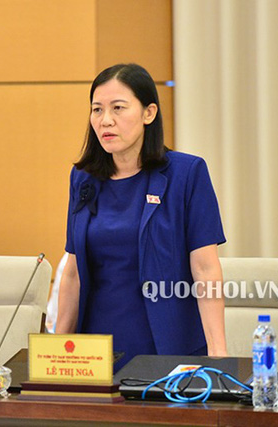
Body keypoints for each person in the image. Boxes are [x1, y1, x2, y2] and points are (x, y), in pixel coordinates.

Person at [55, 63, 227, 372]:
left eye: (118, 108)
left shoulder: (186, 174)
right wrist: (56, 353)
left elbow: (205, 269)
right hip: (95, 349)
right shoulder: (83, 178)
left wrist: (218, 356)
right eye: (97, 110)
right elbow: (73, 273)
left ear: (149, 113)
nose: (105, 120)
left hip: (167, 347)